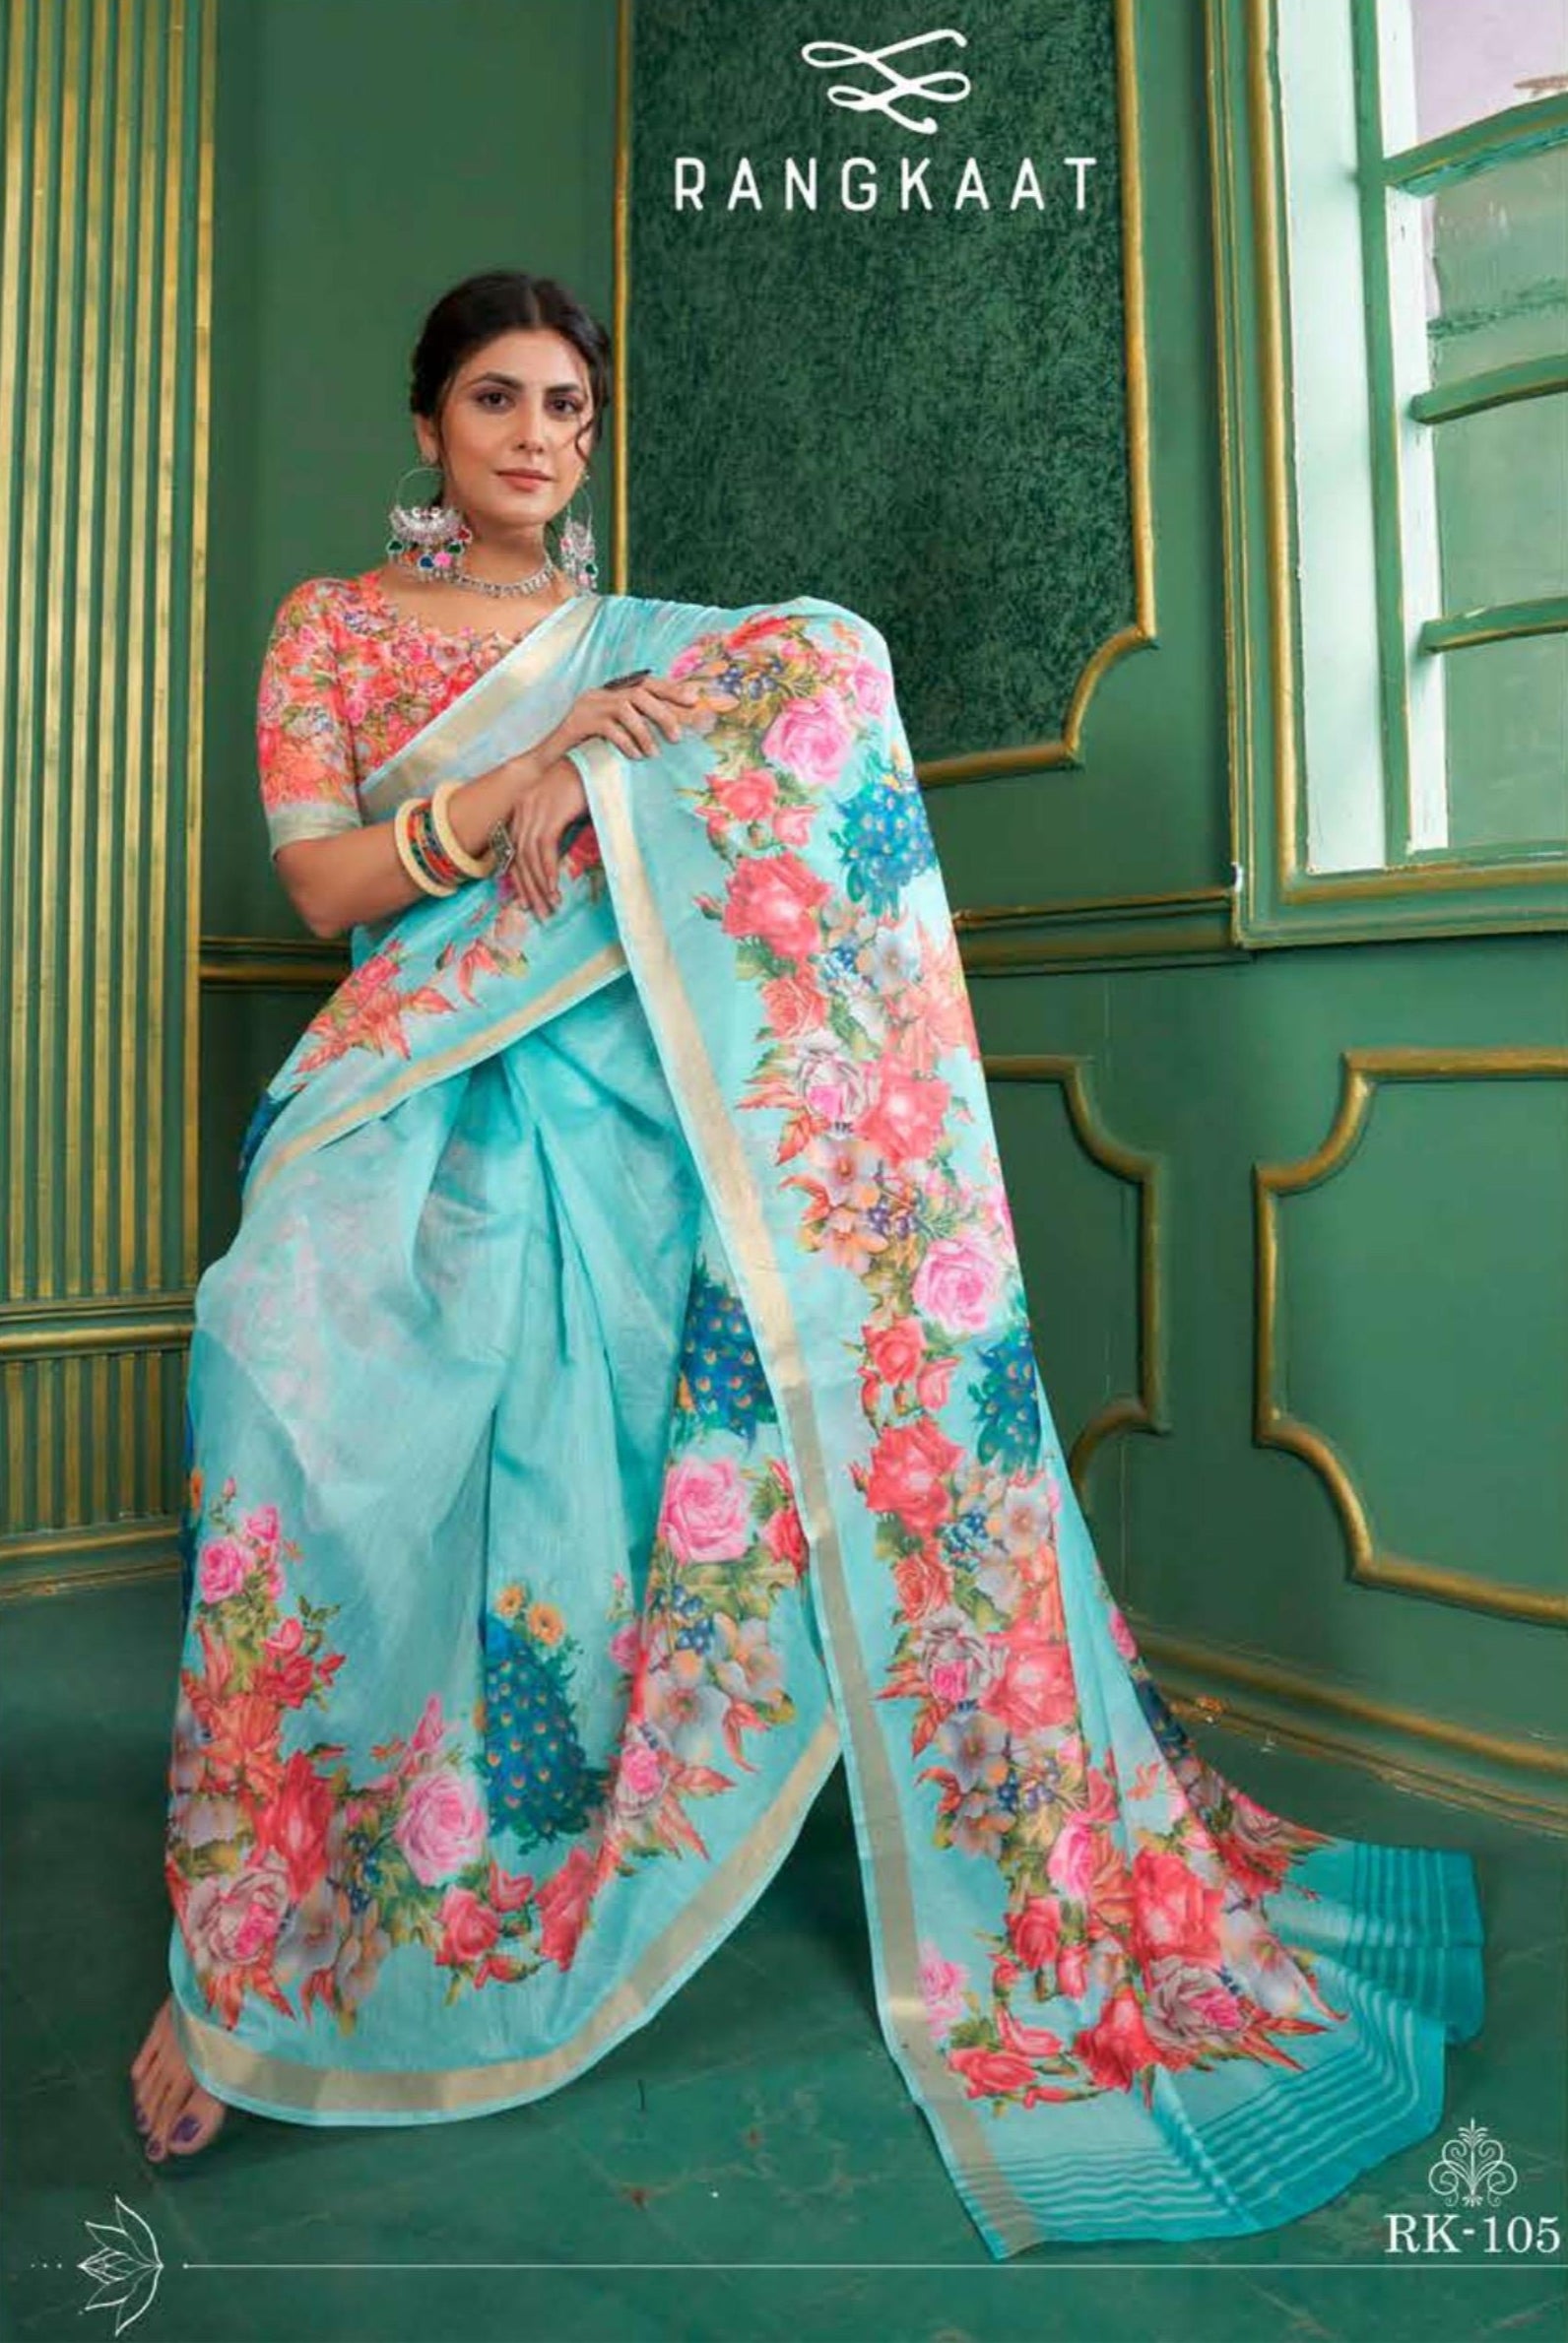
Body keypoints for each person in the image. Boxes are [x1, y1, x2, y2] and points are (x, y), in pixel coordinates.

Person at [130, 269, 1485, 2254]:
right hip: (403, 1080)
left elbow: (826, 671)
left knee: (627, 1418)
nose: (535, 437)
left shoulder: (647, 653)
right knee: (275, 1376)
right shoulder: (332, 625)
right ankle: (256, 1936)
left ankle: (492, 1852)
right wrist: (527, 772)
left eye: (568, 407)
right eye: (496, 399)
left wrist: (609, 757)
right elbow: (328, 880)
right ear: (426, 426)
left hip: (621, 1095)